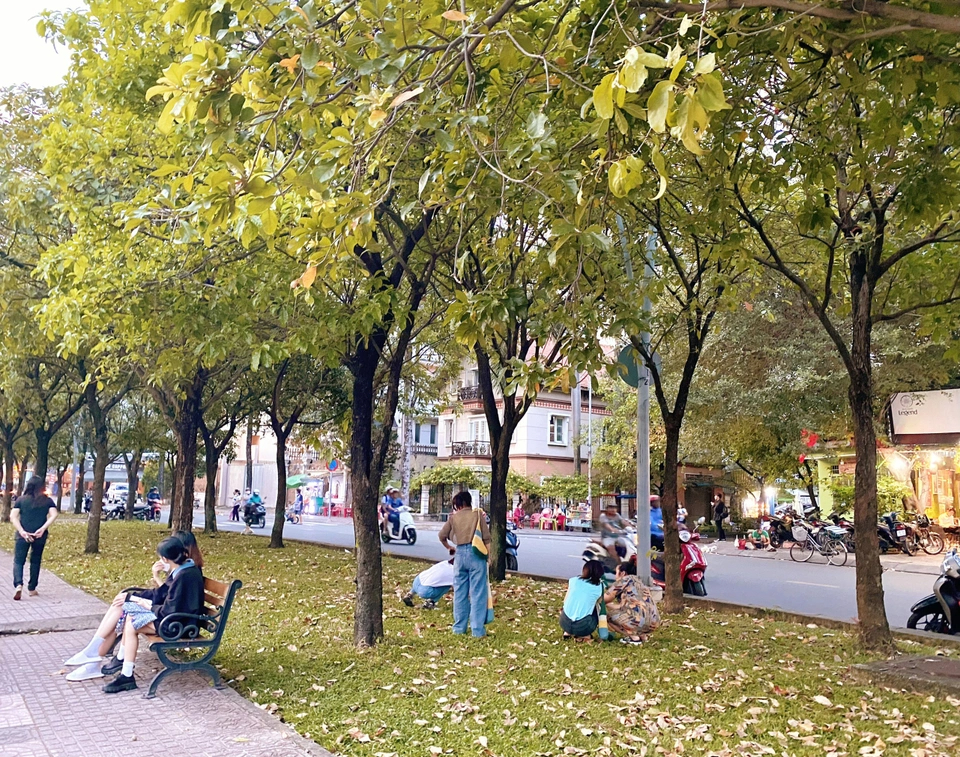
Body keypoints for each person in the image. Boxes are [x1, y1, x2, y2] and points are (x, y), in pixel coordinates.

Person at [64, 536, 204, 693]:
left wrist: (143, 603)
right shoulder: (181, 569)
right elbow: (161, 594)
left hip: (179, 625)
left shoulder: (184, 575)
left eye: (160, 558)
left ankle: (120, 670)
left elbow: (169, 609)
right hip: (174, 619)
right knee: (122, 606)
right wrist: (132, 597)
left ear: (165, 559)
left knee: (131, 621)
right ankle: (101, 657)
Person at [438, 491, 490, 637]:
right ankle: (477, 630)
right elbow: (486, 538)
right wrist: (488, 556)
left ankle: (459, 628)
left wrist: (449, 547)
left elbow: (441, 536)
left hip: (460, 555)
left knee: (460, 592)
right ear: (469, 501)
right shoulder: (478, 515)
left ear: (458, 504)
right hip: (476, 554)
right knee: (478, 593)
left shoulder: (453, 518)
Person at [11, 476, 58, 600]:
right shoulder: (47, 501)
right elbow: (54, 514)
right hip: (39, 536)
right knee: (35, 561)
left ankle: (18, 584)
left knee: (18, 561)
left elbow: (13, 516)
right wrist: (43, 528)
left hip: (23, 535)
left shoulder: (21, 500)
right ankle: (32, 588)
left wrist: (22, 531)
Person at [604, 559, 660, 644]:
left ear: (623, 573)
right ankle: (643, 636)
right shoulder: (639, 582)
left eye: (616, 572)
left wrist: (596, 599)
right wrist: (607, 605)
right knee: (632, 615)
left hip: (639, 620)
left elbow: (608, 597)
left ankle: (634, 638)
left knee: (609, 617)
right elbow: (621, 607)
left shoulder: (625, 580)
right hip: (654, 622)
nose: (615, 576)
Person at [560, 560, 605, 641]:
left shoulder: (574, 580)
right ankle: (585, 635)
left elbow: (565, 600)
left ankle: (567, 632)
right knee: (595, 607)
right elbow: (600, 602)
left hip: (564, 622)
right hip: (583, 626)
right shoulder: (600, 586)